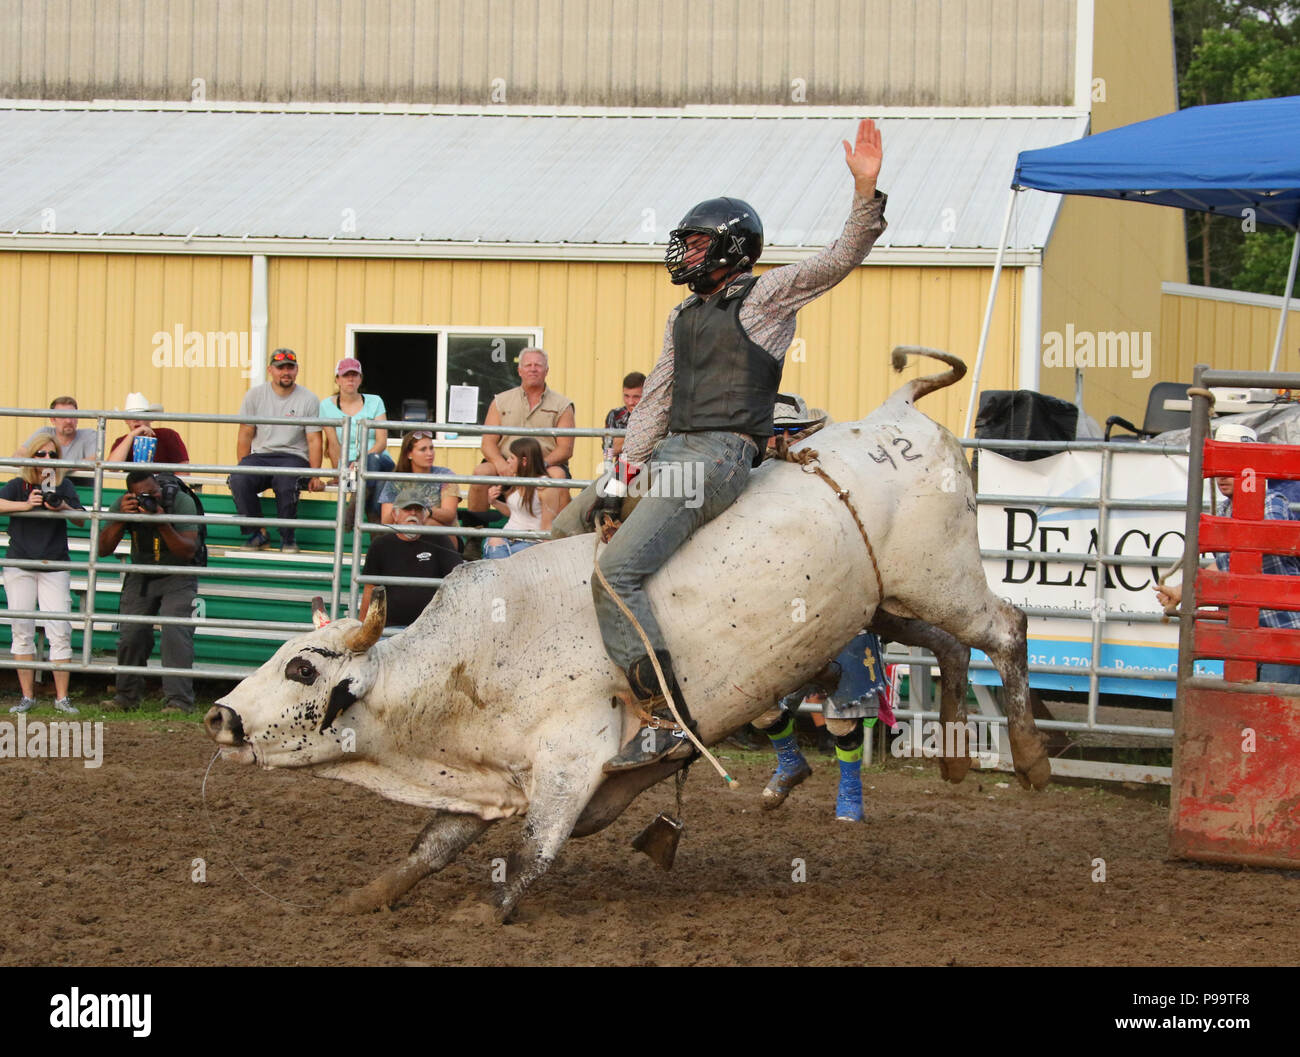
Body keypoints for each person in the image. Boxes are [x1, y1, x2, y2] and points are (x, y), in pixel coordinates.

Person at [585, 118, 886, 772]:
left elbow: (840, 258)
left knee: (614, 575)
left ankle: (664, 716)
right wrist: (616, 475)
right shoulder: (682, 316)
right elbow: (658, 398)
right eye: (685, 244)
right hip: (670, 456)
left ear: (729, 248)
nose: (684, 254)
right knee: (565, 527)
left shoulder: (767, 293)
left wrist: (865, 191)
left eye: (695, 244)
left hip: (716, 459)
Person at [1155, 422, 1300, 683]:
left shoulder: (1269, 502)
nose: (1222, 476)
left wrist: (1202, 588)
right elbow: (1228, 563)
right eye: (1220, 467)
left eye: (1231, 466)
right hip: (1252, 631)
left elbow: (1257, 550)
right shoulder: (1226, 510)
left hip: (1280, 631)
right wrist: (1181, 590)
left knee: (1267, 704)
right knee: (1255, 704)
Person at [755, 630, 895, 822]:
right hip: (793, 633)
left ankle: (850, 791)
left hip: (848, 632)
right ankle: (789, 762)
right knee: (761, 708)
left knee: (842, 723)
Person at [96, 471, 201, 714]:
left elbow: (188, 550)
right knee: (131, 633)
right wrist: (121, 518)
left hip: (179, 573)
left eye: (155, 492)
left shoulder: (180, 501)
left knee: (175, 632)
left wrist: (162, 523)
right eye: (144, 495)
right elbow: (102, 549)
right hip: (141, 572)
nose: (153, 498)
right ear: (131, 495)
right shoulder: (123, 504)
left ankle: (180, 702)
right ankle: (125, 697)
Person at [0, 436, 86, 714]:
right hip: (19, 564)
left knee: (59, 630)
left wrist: (61, 507)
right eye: (41, 454)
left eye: (52, 454)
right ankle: (27, 696)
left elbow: (82, 518)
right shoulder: (18, 485)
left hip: (54, 564)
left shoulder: (64, 486)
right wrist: (25, 504)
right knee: (21, 631)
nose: (47, 459)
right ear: (31, 457)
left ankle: (62, 698)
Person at [229, 348, 323, 553]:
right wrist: (243, 467)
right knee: (238, 478)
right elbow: (244, 434)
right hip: (261, 456)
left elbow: (315, 440)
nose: (285, 372)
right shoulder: (254, 395)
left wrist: (316, 473)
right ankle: (257, 533)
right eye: (281, 368)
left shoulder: (308, 399)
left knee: (286, 480)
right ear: (270, 370)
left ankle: (288, 538)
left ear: (297, 370)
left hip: (294, 456)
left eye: (290, 367)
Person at [469, 348, 576, 518]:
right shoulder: (500, 401)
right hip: (506, 463)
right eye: (528, 365)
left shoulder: (563, 405)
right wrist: (501, 464)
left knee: (558, 476)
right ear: (519, 370)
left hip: (544, 464)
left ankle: (559, 535)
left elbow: (565, 449)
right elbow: (487, 443)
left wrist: (540, 464)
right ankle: (474, 532)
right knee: (481, 472)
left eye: (538, 365)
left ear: (546, 370)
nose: (533, 369)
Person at [360, 488, 464, 628]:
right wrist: (361, 626)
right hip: (390, 629)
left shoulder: (440, 540)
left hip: (431, 628)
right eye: (407, 509)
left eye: (418, 509)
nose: (413, 513)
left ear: (424, 516)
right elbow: (369, 589)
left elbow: (458, 580)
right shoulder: (380, 545)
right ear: (395, 515)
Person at [319, 357, 393, 525]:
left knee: (372, 462)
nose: (350, 379)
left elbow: (381, 442)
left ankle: (353, 507)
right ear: (337, 379)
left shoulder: (375, 401)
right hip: (351, 466)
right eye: (346, 375)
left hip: (378, 459)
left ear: (360, 379)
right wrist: (339, 471)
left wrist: (360, 462)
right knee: (378, 490)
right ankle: (376, 534)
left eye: (354, 375)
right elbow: (333, 444)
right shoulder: (326, 406)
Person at [377, 430, 460, 548]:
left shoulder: (445, 475)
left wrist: (425, 512)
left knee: (427, 523)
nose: (430, 453)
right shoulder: (396, 479)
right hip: (405, 536)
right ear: (409, 454)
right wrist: (407, 514)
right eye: (423, 449)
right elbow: (386, 522)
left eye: (431, 448)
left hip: (445, 539)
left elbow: (449, 516)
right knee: (410, 524)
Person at [484, 437, 560, 559]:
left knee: (495, 550)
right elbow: (515, 513)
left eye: (512, 458)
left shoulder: (545, 487)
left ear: (524, 461)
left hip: (530, 542)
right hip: (507, 537)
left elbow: (547, 526)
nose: (508, 461)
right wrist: (494, 502)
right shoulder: (517, 480)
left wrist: (546, 557)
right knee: (494, 541)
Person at [106, 392, 190, 466]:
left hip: (164, 483)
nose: (135, 420)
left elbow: (182, 469)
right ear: (126, 420)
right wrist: (131, 436)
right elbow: (112, 467)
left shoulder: (168, 435)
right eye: (130, 416)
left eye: (141, 415)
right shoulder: (122, 442)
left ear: (151, 417)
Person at [604, 371, 646, 461]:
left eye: (636, 397)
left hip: (650, 468)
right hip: (623, 469)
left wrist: (621, 440)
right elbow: (608, 453)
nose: (630, 402)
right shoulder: (615, 415)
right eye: (626, 396)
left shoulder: (655, 415)